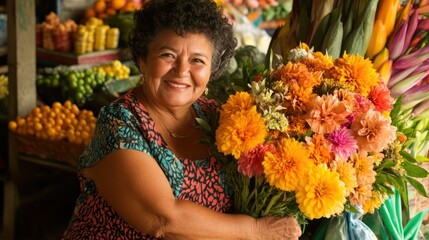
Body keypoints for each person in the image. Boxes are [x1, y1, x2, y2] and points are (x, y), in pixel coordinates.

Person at [62, 0, 302, 239]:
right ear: (142, 60)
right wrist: (256, 230)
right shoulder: (119, 123)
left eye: (197, 60)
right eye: (168, 55)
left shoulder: (218, 116)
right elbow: (162, 220)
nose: (181, 70)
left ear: (213, 70)